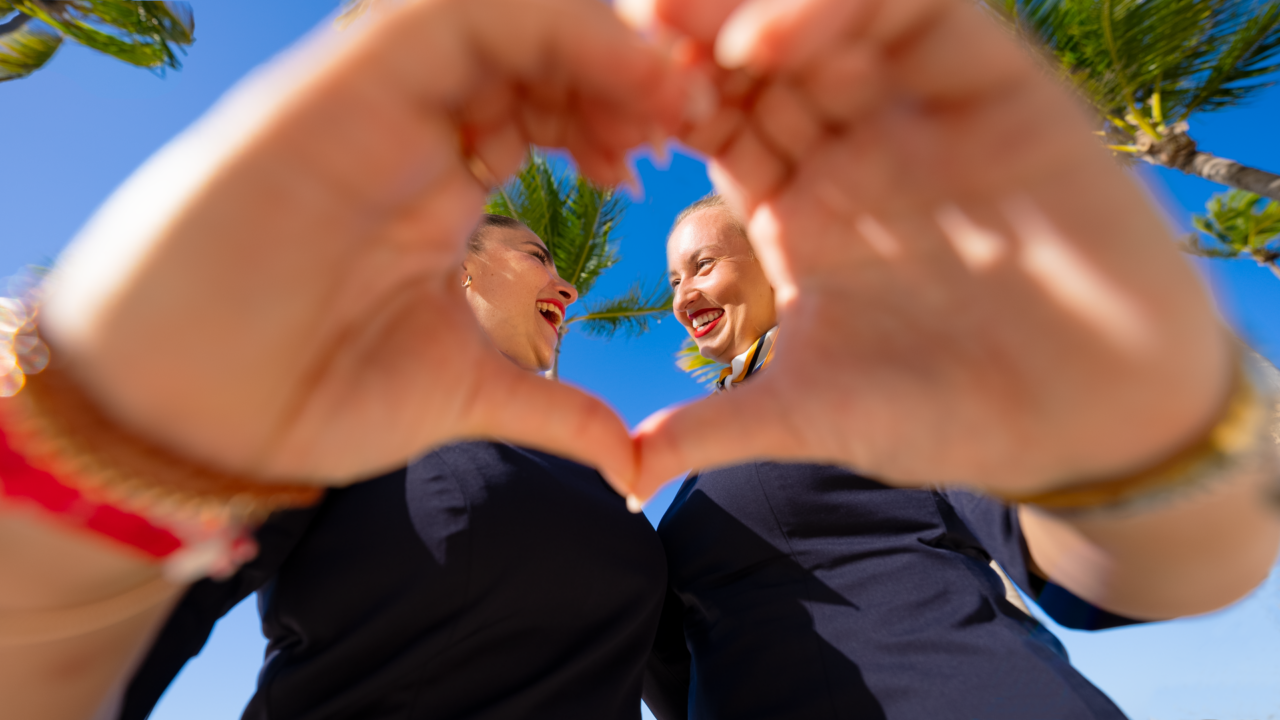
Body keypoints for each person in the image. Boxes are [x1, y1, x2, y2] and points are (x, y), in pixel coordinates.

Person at [2, 0, 1278, 717]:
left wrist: (1155, 417)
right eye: (528, 255)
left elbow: (1107, 578)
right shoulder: (321, 419)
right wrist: (106, 408)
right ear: (442, 264)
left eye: (701, 266)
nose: (580, 281)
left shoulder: (656, 485)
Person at [111, 213, 667, 720]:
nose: (567, 287)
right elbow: (151, 609)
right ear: (459, 273)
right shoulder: (343, 412)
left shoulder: (601, 473)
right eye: (535, 256)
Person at [642, 195, 1147, 719]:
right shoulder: (717, 447)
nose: (684, 297)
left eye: (703, 265)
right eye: (676, 281)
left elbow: (1027, 512)